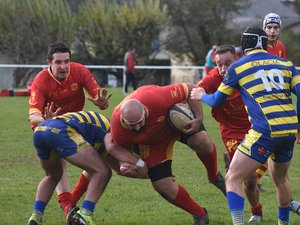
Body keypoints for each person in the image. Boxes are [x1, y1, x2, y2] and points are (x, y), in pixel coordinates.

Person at [191, 27, 300, 225]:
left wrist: (201, 96)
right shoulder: (286, 64)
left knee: (232, 178)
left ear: (244, 46)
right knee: (281, 180)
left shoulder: (239, 67)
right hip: (288, 130)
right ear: (264, 43)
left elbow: (215, 100)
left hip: (265, 131)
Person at [104, 83, 226, 225]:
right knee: (162, 185)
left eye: (139, 122)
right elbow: (114, 147)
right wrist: (132, 164)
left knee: (202, 141)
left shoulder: (156, 99)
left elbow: (191, 89)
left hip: (171, 124)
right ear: (123, 120)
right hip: (152, 144)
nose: (137, 127)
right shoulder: (117, 127)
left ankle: (214, 176)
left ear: (145, 111)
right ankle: (200, 215)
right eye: (132, 125)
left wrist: (198, 118)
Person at [28, 42, 111, 217]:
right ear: (49, 62)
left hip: (75, 126)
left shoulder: (80, 71)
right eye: (58, 62)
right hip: (48, 128)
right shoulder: (41, 80)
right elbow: (33, 115)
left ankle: (65, 207)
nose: (64, 66)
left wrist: (102, 103)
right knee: (59, 168)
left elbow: (98, 96)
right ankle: (69, 208)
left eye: (67, 61)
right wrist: (46, 120)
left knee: (94, 163)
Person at [196, 44, 265, 223]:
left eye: (228, 63)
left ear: (236, 60)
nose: (223, 69)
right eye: (219, 64)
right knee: (248, 178)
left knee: (264, 174)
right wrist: (196, 118)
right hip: (231, 133)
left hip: (257, 128)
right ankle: (256, 211)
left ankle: (276, 206)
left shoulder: (247, 71)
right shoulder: (212, 79)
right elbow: (193, 92)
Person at [27, 111, 114, 225]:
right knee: (103, 171)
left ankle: (36, 217)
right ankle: (85, 214)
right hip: (60, 131)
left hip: (41, 130)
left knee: (52, 175)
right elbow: (117, 163)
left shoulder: (101, 125)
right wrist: (139, 165)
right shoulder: (110, 134)